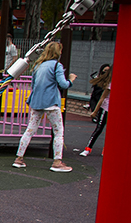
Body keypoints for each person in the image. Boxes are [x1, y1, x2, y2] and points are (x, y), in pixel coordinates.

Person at [13, 42, 76, 172]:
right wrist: (71, 80)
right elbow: (63, 84)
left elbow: (33, 85)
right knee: (58, 132)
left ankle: (19, 158)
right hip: (51, 102)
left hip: (37, 101)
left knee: (30, 130)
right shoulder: (56, 66)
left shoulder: (38, 66)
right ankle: (57, 161)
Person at [76, 67, 111, 156]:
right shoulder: (110, 84)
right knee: (99, 128)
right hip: (106, 108)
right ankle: (88, 148)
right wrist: (95, 111)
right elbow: (102, 98)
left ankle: (106, 149)